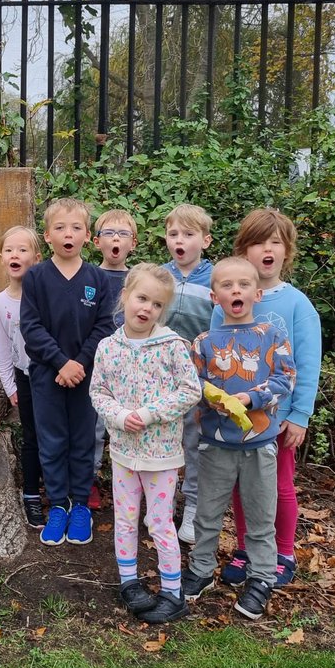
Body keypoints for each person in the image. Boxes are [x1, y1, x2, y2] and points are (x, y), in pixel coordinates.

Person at [183, 257, 296, 621]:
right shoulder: (203, 342)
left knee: (261, 517)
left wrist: (251, 397)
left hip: (259, 445)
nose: (236, 290)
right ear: (214, 297)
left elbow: (284, 379)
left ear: (257, 293)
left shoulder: (272, 336)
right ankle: (201, 570)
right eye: (227, 286)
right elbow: (192, 383)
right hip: (215, 444)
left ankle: (261, 578)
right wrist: (213, 396)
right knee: (207, 513)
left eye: (243, 285)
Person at [214, 208, 322, 588]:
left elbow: (308, 365)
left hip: (281, 416)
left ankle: (283, 552)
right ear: (244, 249)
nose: (267, 249)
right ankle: (247, 549)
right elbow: (214, 362)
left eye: (275, 242)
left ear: (286, 251)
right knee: (244, 486)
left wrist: (300, 415)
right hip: (241, 419)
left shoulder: (296, 305)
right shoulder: (224, 302)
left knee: (279, 486)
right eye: (258, 241)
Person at [91, 265, 201, 624]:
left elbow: (190, 390)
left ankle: (173, 593)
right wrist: (120, 416)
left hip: (161, 456)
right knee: (124, 520)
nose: (146, 308)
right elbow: (98, 391)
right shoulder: (108, 347)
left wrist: (151, 413)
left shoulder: (172, 346)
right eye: (141, 298)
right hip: (123, 453)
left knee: (159, 522)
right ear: (124, 296)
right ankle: (129, 582)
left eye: (156, 304)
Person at [20, 197, 117, 547]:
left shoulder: (97, 279)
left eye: (76, 227)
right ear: (47, 236)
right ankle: (58, 505)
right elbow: (31, 327)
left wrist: (79, 363)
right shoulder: (35, 278)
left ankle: (80, 506)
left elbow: (104, 326)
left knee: (82, 440)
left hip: (87, 374)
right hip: (47, 375)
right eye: (60, 227)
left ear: (87, 237)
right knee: (52, 441)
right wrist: (61, 362)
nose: (68, 233)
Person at [159, 203, 215, 545]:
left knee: (194, 443)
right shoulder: (159, 276)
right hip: (160, 377)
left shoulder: (216, 278)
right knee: (162, 441)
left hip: (198, 378)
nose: (180, 240)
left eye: (189, 234)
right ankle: (162, 507)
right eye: (173, 234)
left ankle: (193, 505)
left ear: (205, 241)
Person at [0, 225, 45, 528]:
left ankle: (63, 495)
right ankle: (32, 494)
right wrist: (9, 385)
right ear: (1, 257)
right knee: (31, 438)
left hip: (51, 375)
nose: (15, 254)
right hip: (24, 377)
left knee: (56, 434)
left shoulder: (45, 296)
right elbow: (2, 347)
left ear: (36, 258)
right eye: (10, 250)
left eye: (22, 250)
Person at [89, 208, 138, 509]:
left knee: (131, 425)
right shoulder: (89, 275)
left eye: (123, 234)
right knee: (94, 428)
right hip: (98, 364)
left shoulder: (137, 278)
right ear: (96, 242)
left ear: (133, 243)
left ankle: (133, 484)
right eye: (109, 233)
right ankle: (91, 479)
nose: (116, 238)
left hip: (133, 366)